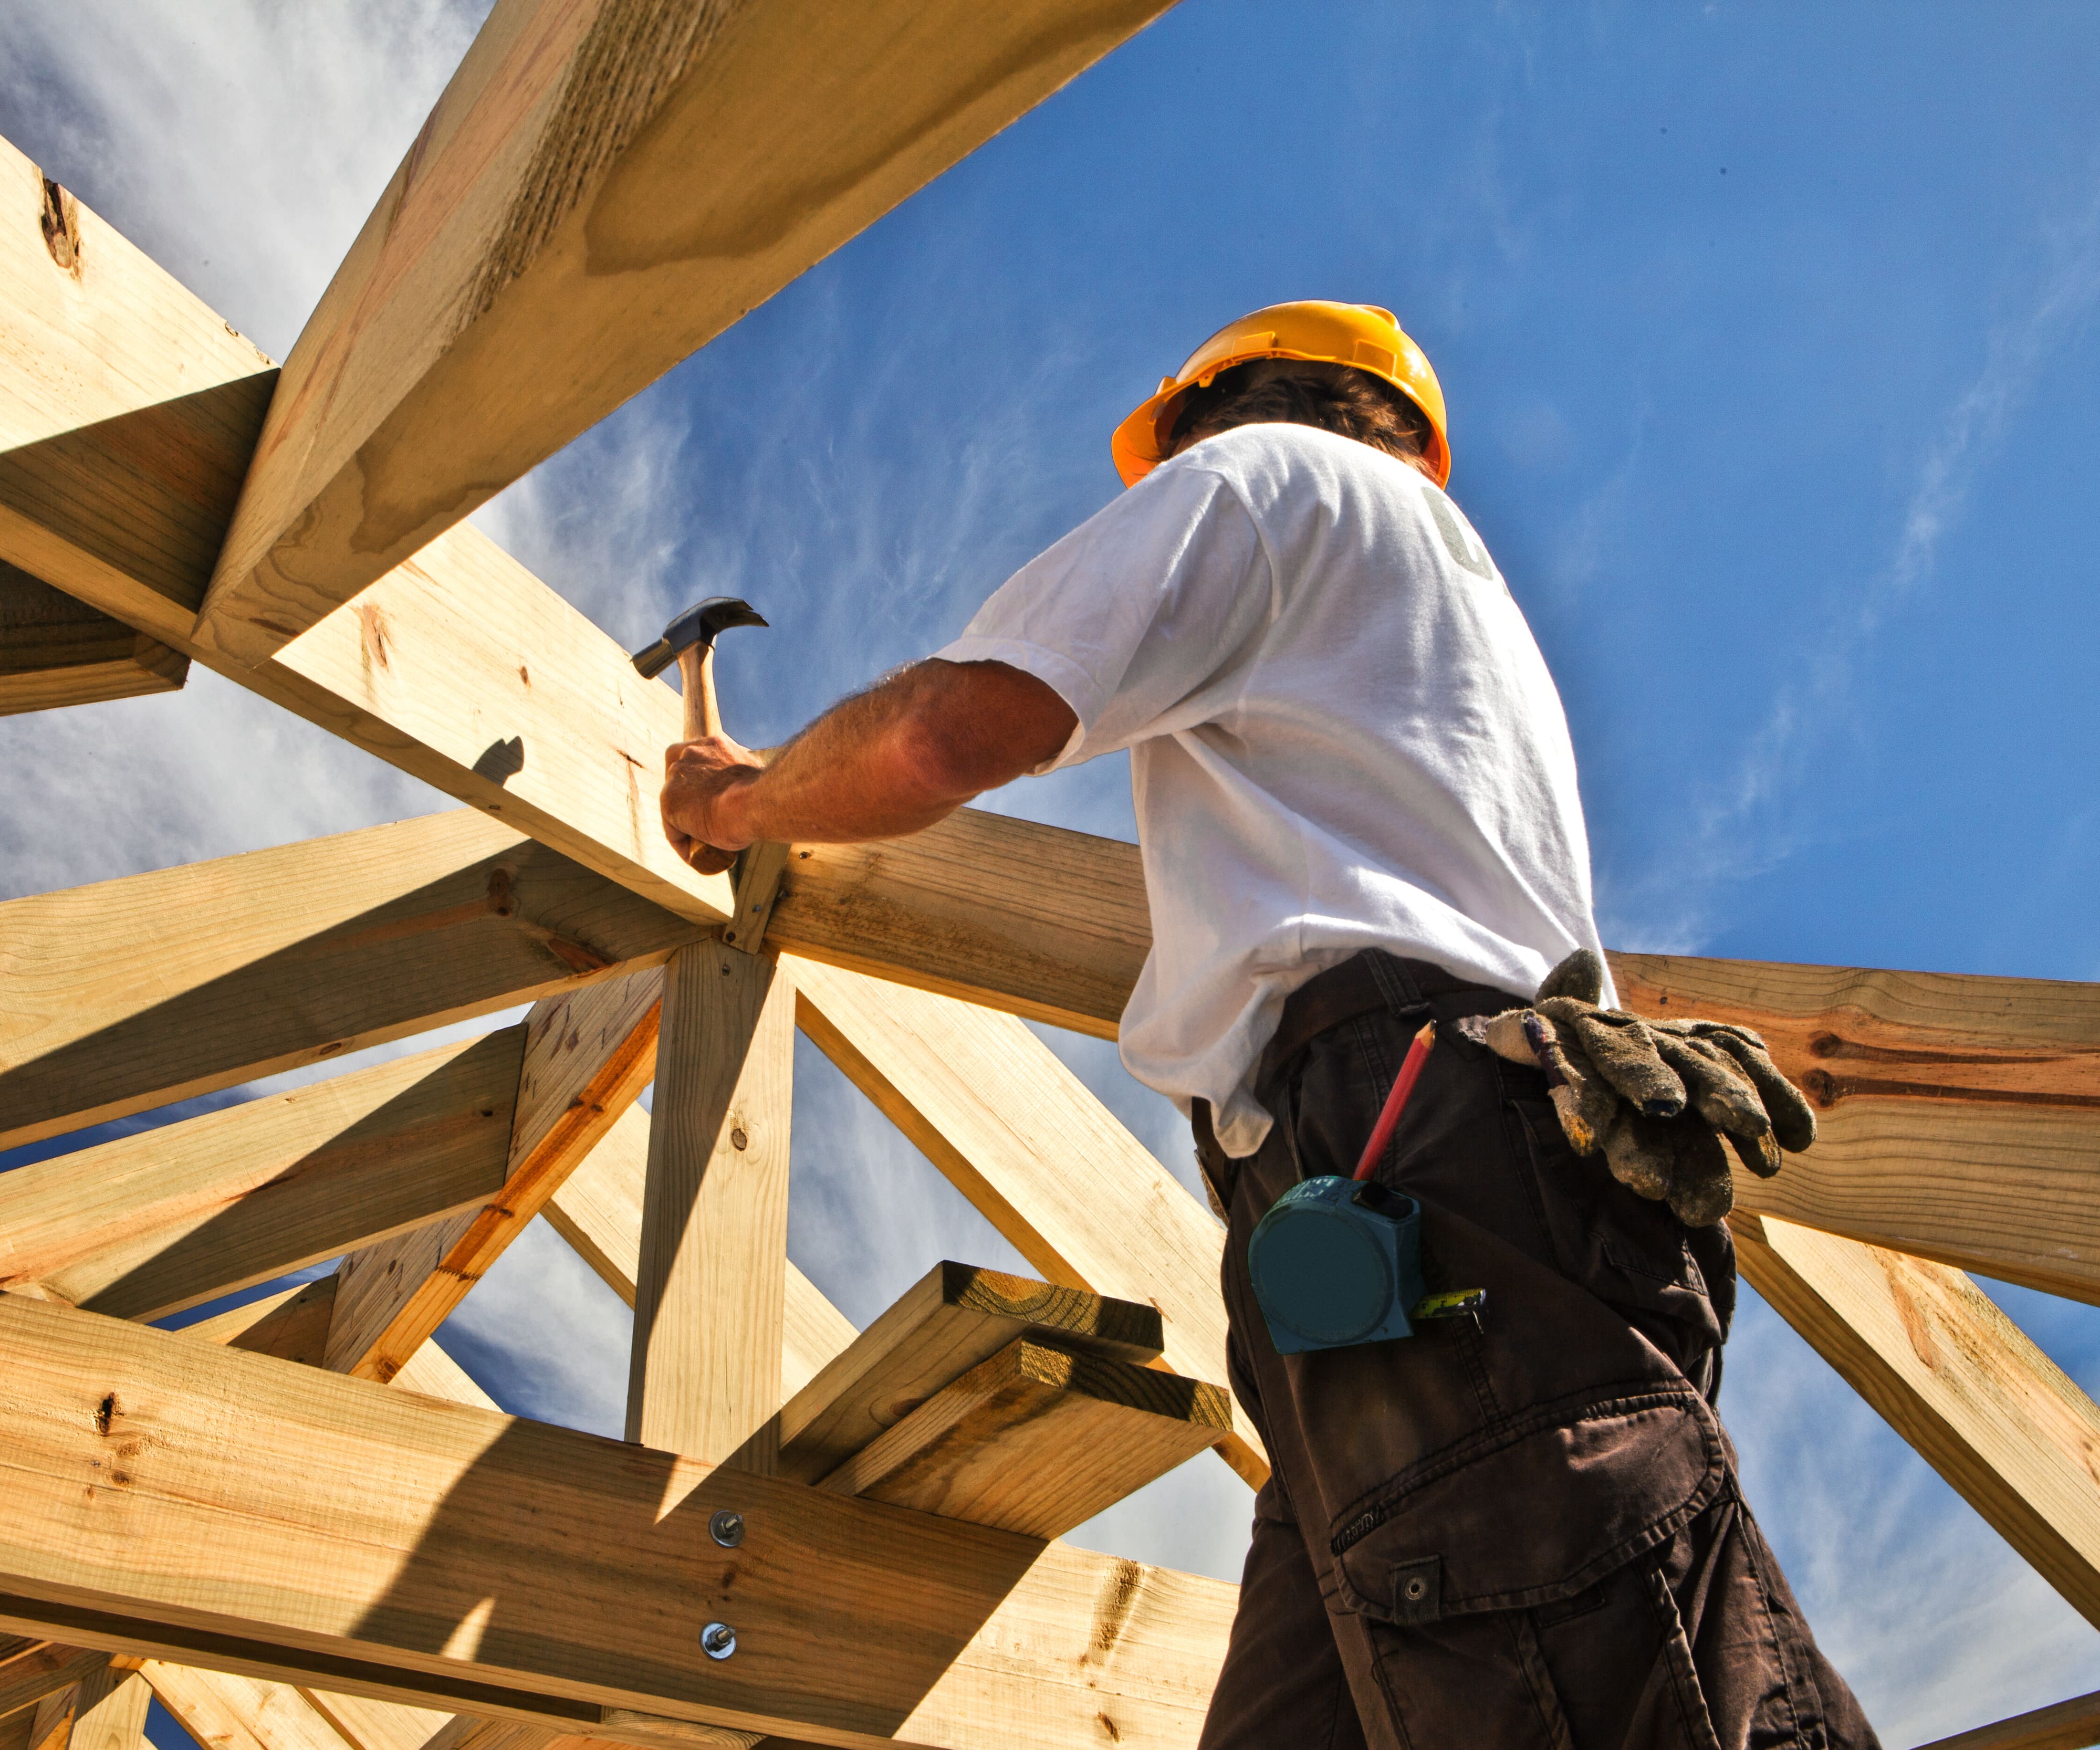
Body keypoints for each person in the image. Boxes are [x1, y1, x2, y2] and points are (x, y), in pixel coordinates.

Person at [658, 300, 1876, 1750]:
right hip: (1411, 1213)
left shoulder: (1267, 483)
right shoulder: (1435, 614)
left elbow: (941, 734)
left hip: (1419, 1168)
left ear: (1210, 417)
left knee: (1586, 1677)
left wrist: (737, 803)